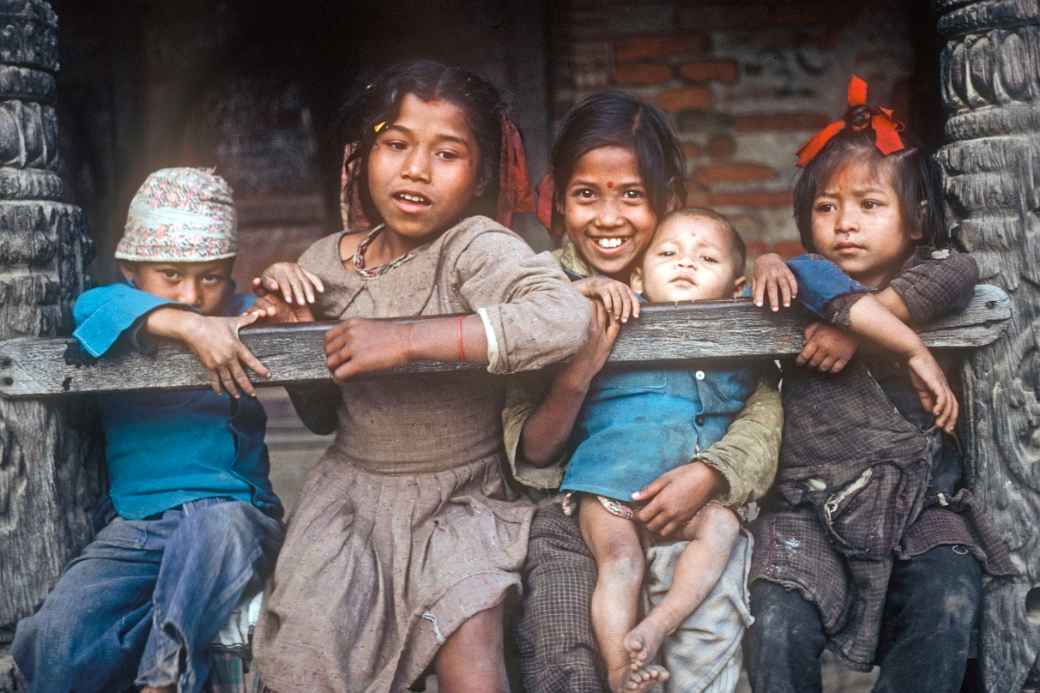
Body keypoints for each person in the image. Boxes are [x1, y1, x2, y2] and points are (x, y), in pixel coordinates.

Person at [245, 60, 591, 693]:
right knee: (305, 658)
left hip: (464, 497)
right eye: (396, 145)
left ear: (481, 171)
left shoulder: (475, 247)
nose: (415, 170)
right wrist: (297, 337)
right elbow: (323, 415)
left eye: (447, 153)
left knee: (471, 641)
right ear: (361, 155)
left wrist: (406, 340)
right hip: (350, 503)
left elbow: (562, 318)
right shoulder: (326, 260)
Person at [505, 91, 782, 693]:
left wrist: (712, 474)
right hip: (578, 497)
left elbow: (762, 405)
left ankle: (654, 637)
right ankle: (619, 668)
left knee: (729, 593)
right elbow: (534, 454)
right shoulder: (536, 286)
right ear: (558, 197)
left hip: (695, 489)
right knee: (562, 641)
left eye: (631, 194)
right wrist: (577, 371)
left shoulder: (690, 272)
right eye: (587, 195)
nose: (609, 218)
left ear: (668, 200)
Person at [745, 76, 1014, 693]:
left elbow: (957, 271)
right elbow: (805, 273)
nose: (845, 224)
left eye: (870, 206)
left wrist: (866, 327)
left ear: (916, 221)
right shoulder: (797, 281)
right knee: (775, 618)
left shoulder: (933, 275)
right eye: (826, 207)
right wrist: (767, 264)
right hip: (809, 508)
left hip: (919, 505)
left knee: (947, 601)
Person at [11, 167, 285, 693]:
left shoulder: (241, 314)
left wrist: (285, 288)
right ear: (131, 270)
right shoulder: (112, 306)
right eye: (170, 275)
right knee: (56, 636)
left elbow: (281, 315)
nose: (192, 293)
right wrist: (187, 325)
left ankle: (162, 679)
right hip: (140, 527)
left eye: (210, 276)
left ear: (229, 272)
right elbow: (90, 308)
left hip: (235, 516)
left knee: (210, 534)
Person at [522, 209, 755, 692]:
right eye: (668, 254)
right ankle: (619, 664)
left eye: (706, 257)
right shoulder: (616, 314)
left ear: (736, 289)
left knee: (722, 525)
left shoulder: (745, 324)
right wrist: (587, 290)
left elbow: (792, 293)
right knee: (621, 562)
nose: (685, 263)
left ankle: (659, 625)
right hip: (606, 481)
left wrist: (774, 262)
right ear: (635, 276)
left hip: (688, 498)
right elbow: (531, 298)